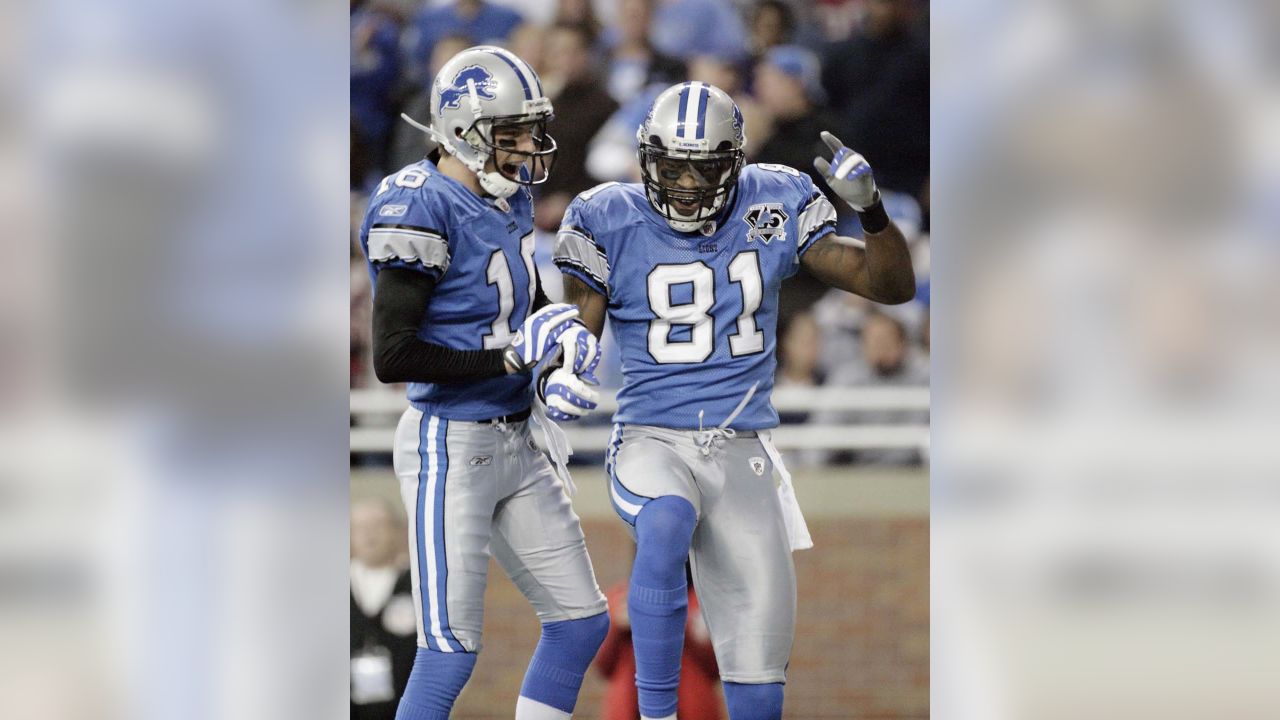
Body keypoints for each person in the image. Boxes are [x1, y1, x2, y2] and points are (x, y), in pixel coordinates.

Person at [552, 82, 915, 720]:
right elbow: (578, 335)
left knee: (758, 666)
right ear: (646, 160)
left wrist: (874, 212)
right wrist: (562, 370)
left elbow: (890, 287)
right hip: (651, 437)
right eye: (673, 165)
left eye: (704, 166)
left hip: (743, 444)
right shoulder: (605, 215)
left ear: (735, 163)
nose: (688, 183)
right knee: (663, 525)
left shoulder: (773, 201)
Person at [357, 46, 611, 720]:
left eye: (530, 131)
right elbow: (393, 355)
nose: (528, 148)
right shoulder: (416, 204)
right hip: (452, 443)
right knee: (449, 651)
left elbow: (521, 310)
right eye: (511, 134)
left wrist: (555, 363)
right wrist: (508, 361)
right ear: (463, 132)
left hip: (519, 439)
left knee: (581, 621)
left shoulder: (510, 196)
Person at [595, 565, 722, 720]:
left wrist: (675, 621)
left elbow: (716, 667)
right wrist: (617, 628)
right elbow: (603, 665)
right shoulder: (621, 598)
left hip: (691, 706)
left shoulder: (702, 602)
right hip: (628, 707)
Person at [351, 498, 417, 720]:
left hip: (402, 709)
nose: (370, 534)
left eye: (378, 525)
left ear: (397, 531)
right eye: (361, 527)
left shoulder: (419, 585)